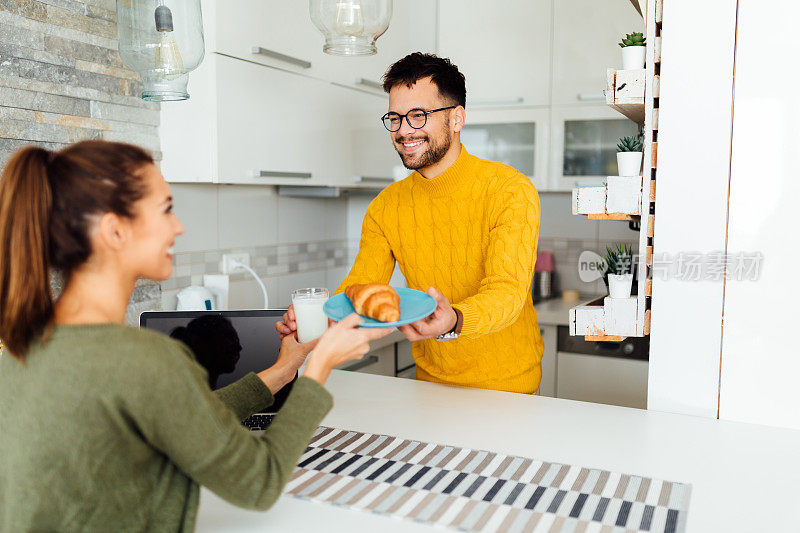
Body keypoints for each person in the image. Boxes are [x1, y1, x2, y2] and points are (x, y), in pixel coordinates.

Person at [0, 140, 391, 531]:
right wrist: (321, 364)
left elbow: (186, 413)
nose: (179, 226)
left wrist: (286, 368)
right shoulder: (146, 359)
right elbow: (260, 481)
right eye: (166, 210)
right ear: (115, 231)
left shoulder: (19, 350)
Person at [278, 53, 544, 394]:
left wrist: (455, 321)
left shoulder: (509, 190)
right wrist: (323, 317)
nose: (403, 131)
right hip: (430, 385)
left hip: (510, 388)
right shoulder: (386, 207)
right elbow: (362, 287)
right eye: (395, 118)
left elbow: (507, 292)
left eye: (418, 116)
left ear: (457, 118)